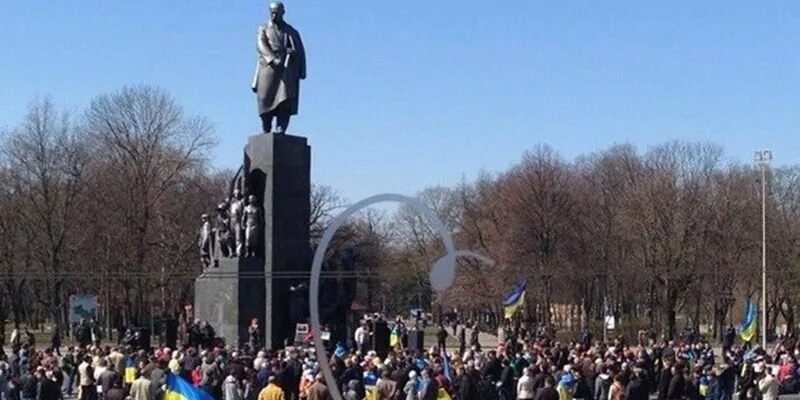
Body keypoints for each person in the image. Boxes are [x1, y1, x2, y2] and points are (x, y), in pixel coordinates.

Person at [252, 1, 307, 134]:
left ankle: (281, 127)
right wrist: (272, 59)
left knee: (285, 100)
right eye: (271, 12)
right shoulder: (263, 28)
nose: (273, 15)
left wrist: (294, 56)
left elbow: (300, 50)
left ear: (282, 13)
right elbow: (261, 44)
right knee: (264, 98)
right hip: (268, 68)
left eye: (276, 12)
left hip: (286, 71)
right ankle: (266, 127)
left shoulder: (291, 31)